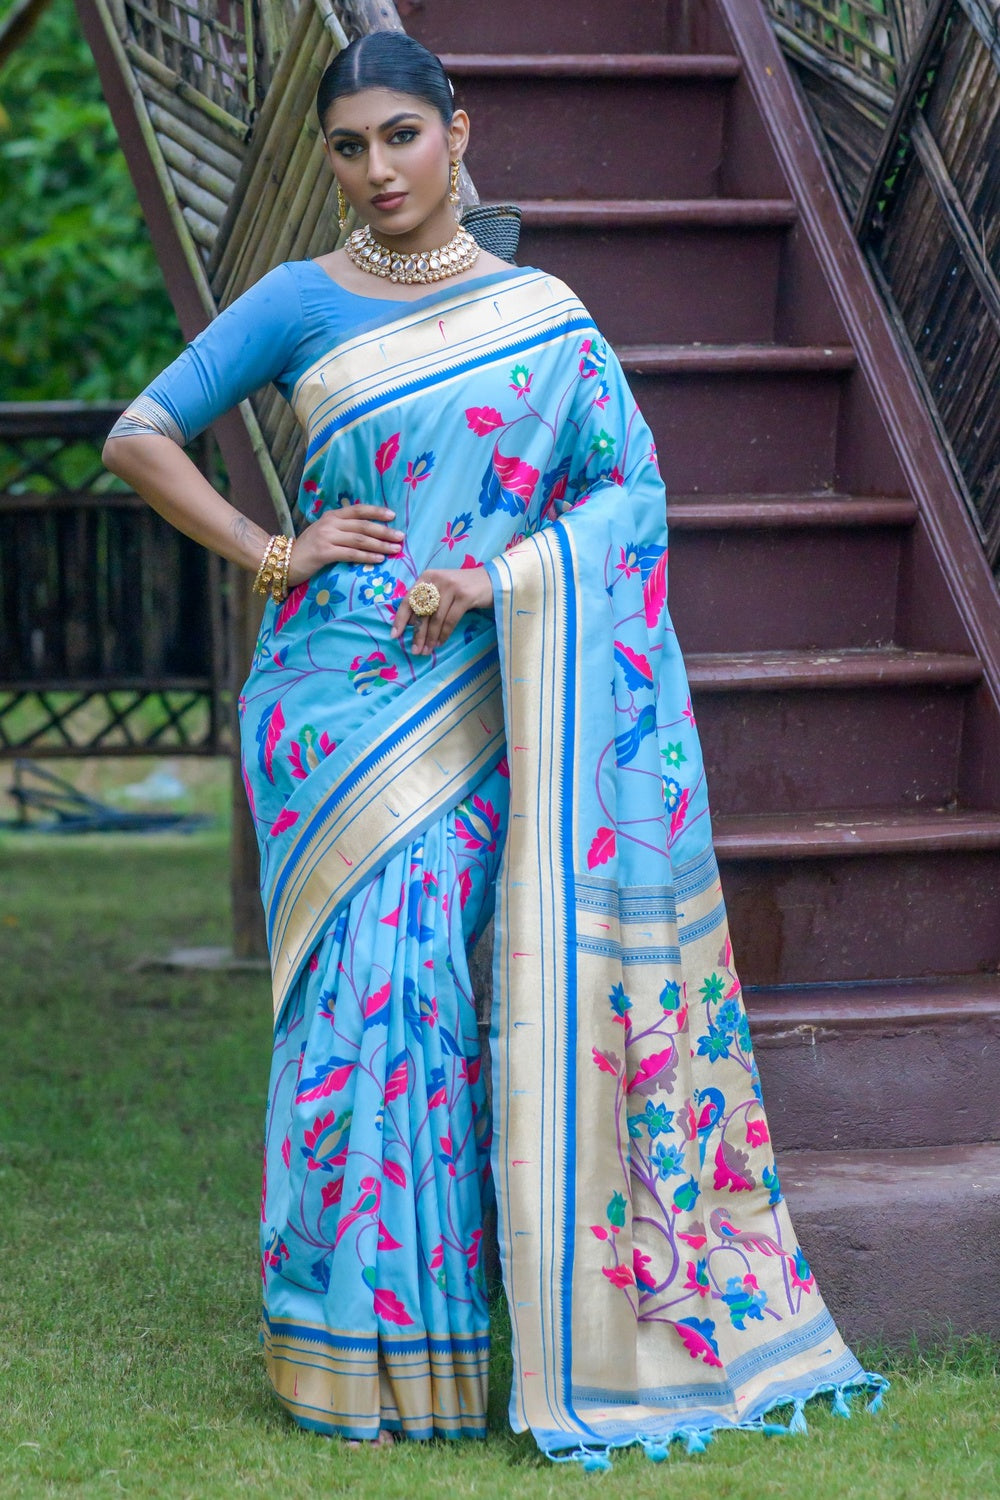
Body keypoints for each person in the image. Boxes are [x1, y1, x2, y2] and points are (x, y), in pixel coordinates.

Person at [103, 30, 885, 1468]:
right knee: (355, 1009)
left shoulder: (545, 315)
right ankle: (343, 1347)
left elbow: (627, 501)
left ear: (458, 134)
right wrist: (274, 548)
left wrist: (492, 583)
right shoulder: (296, 301)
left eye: (402, 136)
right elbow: (140, 435)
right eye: (351, 147)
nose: (377, 170)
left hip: (482, 691)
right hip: (332, 712)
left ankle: (453, 1351)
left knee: (433, 1001)